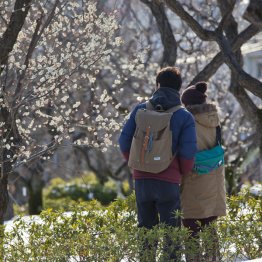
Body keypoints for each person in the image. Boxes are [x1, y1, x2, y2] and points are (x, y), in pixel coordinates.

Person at [118, 67, 197, 261]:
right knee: (171, 235)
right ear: (179, 88)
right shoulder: (184, 116)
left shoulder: (140, 109)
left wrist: (136, 163)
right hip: (168, 182)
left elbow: (123, 141)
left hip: (142, 180)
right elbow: (188, 153)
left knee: (145, 233)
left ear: (157, 85)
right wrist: (180, 172)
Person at [180, 82, 227, 262]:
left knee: (191, 227)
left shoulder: (187, 121)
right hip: (214, 178)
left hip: (194, 177)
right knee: (210, 227)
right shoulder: (214, 119)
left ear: (187, 104)